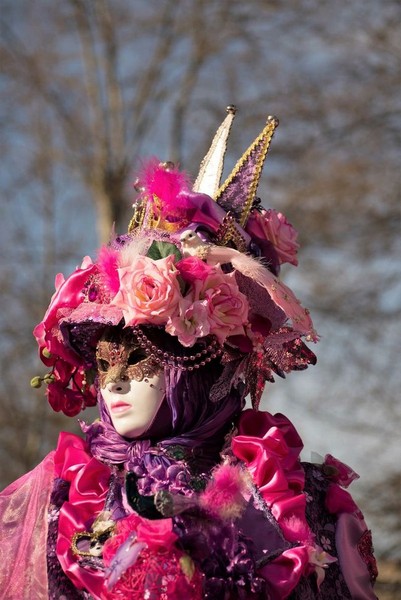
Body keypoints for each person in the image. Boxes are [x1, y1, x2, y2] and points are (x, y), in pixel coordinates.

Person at [0, 108, 378, 599]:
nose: (112, 382)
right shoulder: (68, 496)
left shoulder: (290, 498)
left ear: (199, 365)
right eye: (105, 362)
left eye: (140, 359)